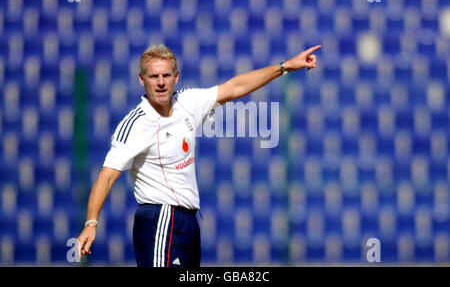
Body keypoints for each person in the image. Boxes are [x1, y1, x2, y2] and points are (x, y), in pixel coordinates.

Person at [77, 43, 321, 267]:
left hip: (188, 221)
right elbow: (107, 176)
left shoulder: (188, 101)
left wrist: (285, 66)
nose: (160, 82)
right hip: (161, 218)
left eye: (166, 75)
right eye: (154, 76)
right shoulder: (136, 124)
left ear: (176, 77)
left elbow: (234, 87)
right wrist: (91, 222)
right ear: (142, 80)